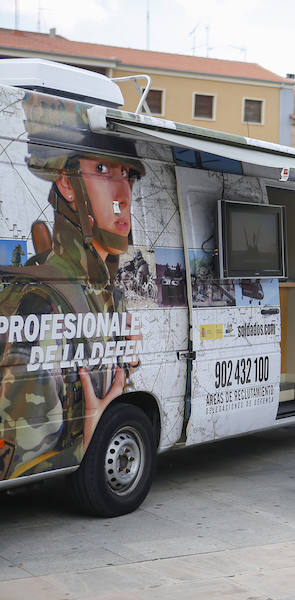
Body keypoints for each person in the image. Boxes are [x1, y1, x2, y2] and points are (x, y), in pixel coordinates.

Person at [0, 92, 144, 480]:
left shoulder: (106, 292)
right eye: (102, 169)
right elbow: (14, 455)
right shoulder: (42, 302)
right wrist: (90, 440)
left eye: (126, 174)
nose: (123, 195)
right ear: (66, 183)